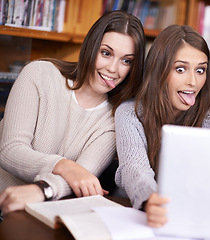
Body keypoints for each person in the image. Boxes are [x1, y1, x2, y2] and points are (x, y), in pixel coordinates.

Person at [114, 25, 210, 239]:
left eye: (200, 70)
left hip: (190, 223)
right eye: (180, 69)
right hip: (135, 217)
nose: (193, 81)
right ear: (159, 70)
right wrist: (151, 200)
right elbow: (134, 168)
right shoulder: (130, 113)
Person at [0, 10, 145, 214]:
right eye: (106, 53)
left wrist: (44, 190)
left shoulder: (114, 120)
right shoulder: (39, 74)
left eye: (126, 61)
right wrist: (66, 166)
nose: (114, 69)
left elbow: (82, 178)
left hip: (41, 215)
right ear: (90, 47)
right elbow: (10, 150)